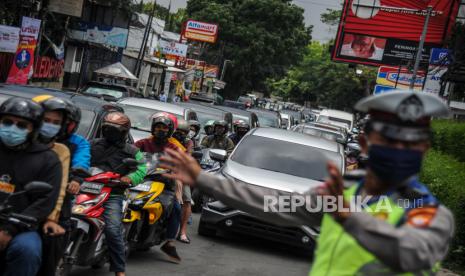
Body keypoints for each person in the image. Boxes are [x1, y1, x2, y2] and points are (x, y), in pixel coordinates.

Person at [159, 91, 454, 275]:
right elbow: (270, 204)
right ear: (365, 144)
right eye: (390, 142)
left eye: (411, 145)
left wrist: (347, 217)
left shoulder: (426, 209)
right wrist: (204, 180)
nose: (400, 152)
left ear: (424, 150)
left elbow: (413, 252)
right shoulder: (342, 191)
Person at [0, 98, 62, 276]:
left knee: (27, 251)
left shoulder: (47, 159)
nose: (12, 128)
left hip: (20, 226)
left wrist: (9, 230)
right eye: (7, 122)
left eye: (21, 125)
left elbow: (45, 201)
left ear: (32, 129)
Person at [90, 112, 146, 276]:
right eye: (107, 129)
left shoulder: (132, 151)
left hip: (112, 194)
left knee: (113, 230)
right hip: (85, 189)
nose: (109, 132)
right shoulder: (92, 144)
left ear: (123, 132)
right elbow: (80, 159)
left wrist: (128, 179)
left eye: (114, 130)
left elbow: (141, 170)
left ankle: (119, 270)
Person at [134, 112, 185, 263]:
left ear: (169, 131)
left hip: (164, 184)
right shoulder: (142, 143)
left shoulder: (174, 148)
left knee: (176, 207)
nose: (160, 130)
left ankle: (169, 242)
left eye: (164, 127)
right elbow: (131, 153)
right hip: (140, 180)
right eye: (158, 127)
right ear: (152, 129)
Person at [32, 95, 72, 276]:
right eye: (45, 120)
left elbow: (58, 189)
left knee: (48, 245)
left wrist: (50, 219)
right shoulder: (13, 142)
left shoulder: (60, 150)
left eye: (55, 122)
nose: (50, 125)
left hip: (37, 213)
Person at [172, 119, 194, 244]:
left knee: (186, 199)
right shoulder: (166, 138)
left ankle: (182, 232)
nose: (179, 133)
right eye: (177, 130)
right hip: (161, 170)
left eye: (182, 132)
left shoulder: (188, 143)